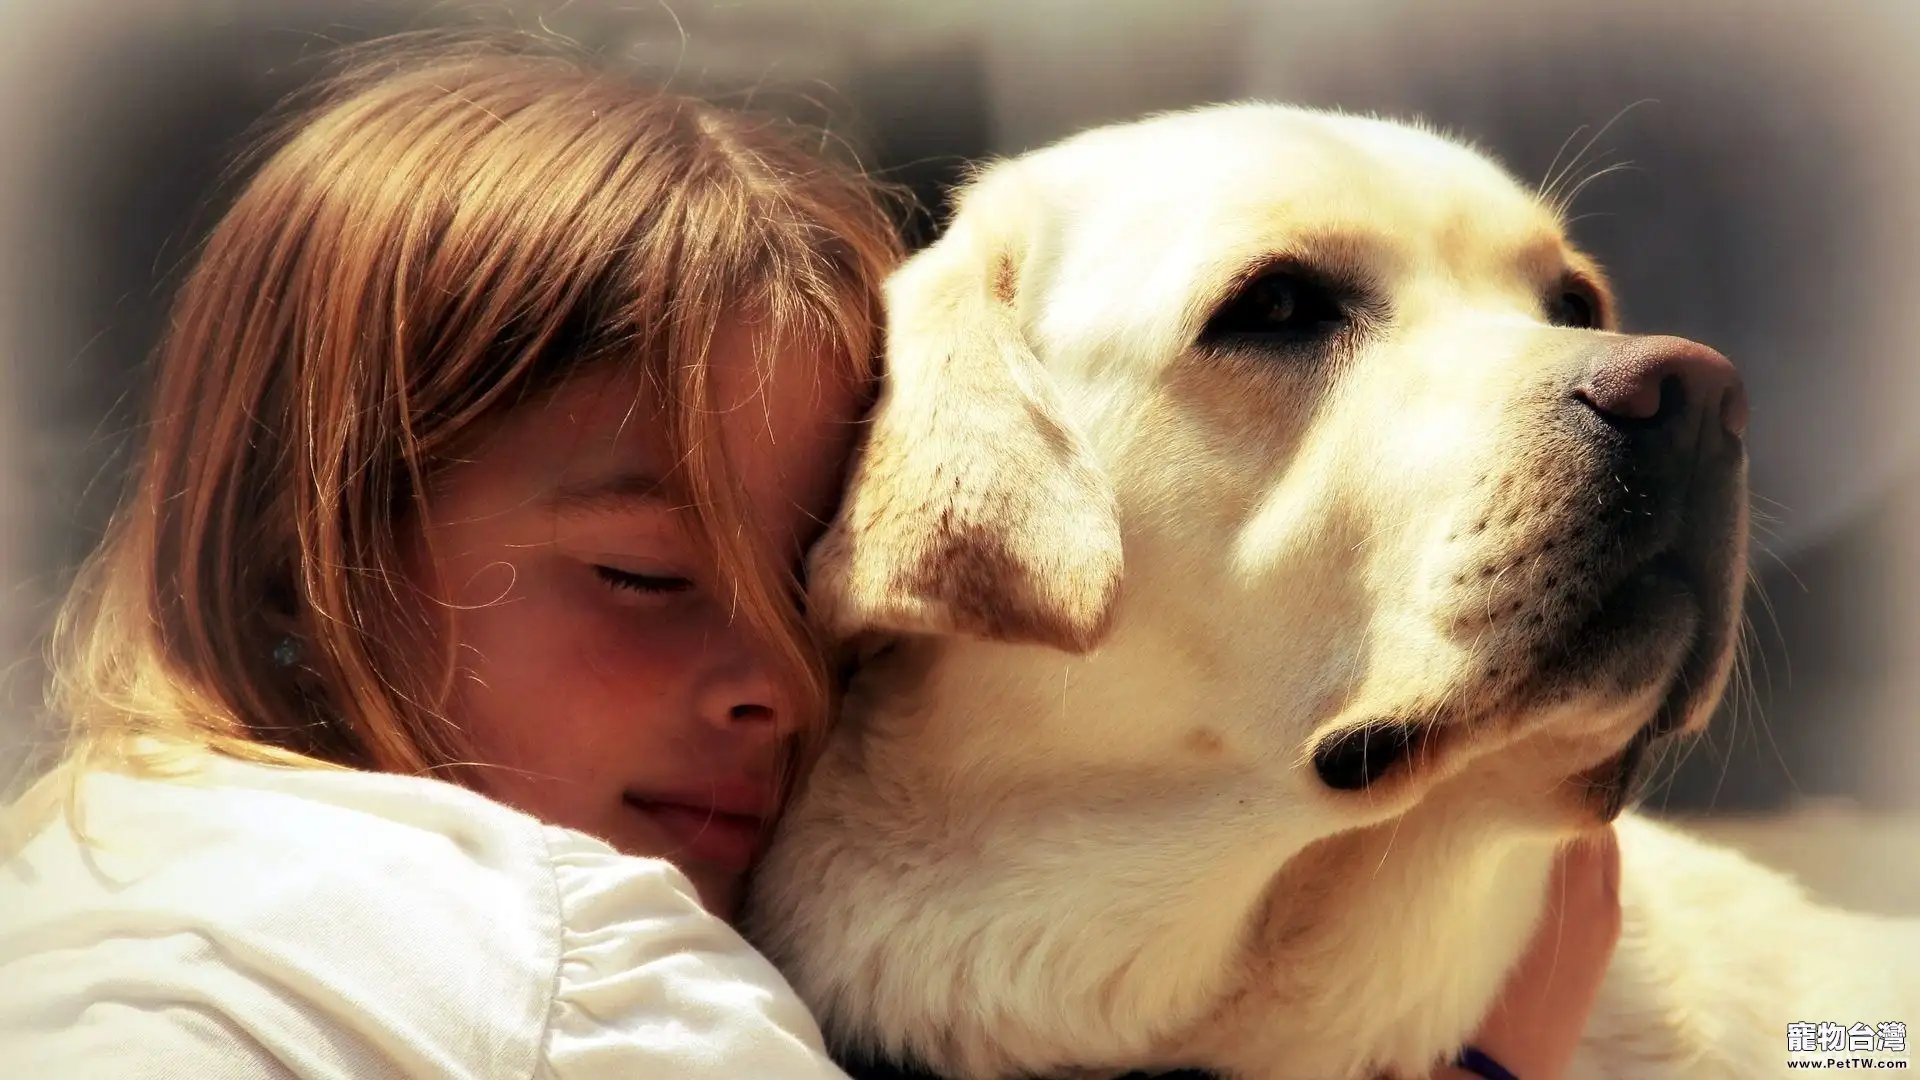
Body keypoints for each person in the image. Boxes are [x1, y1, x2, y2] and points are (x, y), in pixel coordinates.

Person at [0, 34, 1618, 1080]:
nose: (784, 683)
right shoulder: (582, 975)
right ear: (306, 573)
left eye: (818, 594)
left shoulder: (93, 863)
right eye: (642, 577)